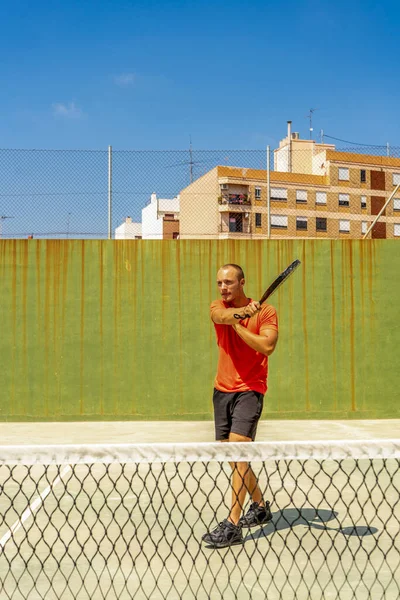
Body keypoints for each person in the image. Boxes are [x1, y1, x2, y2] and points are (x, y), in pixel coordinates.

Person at [202, 263, 279, 549]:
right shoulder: (218, 306)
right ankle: (259, 505)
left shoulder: (267, 313)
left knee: (238, 449)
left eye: (228, 283)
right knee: (235, 458)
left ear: (242, 282)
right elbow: (220, 316)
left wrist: (240, 323)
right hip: (222, 390)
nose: (223, 288)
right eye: (220, 282)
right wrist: (238, 315)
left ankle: (233, 525)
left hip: (251, 389)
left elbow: (267, 346)